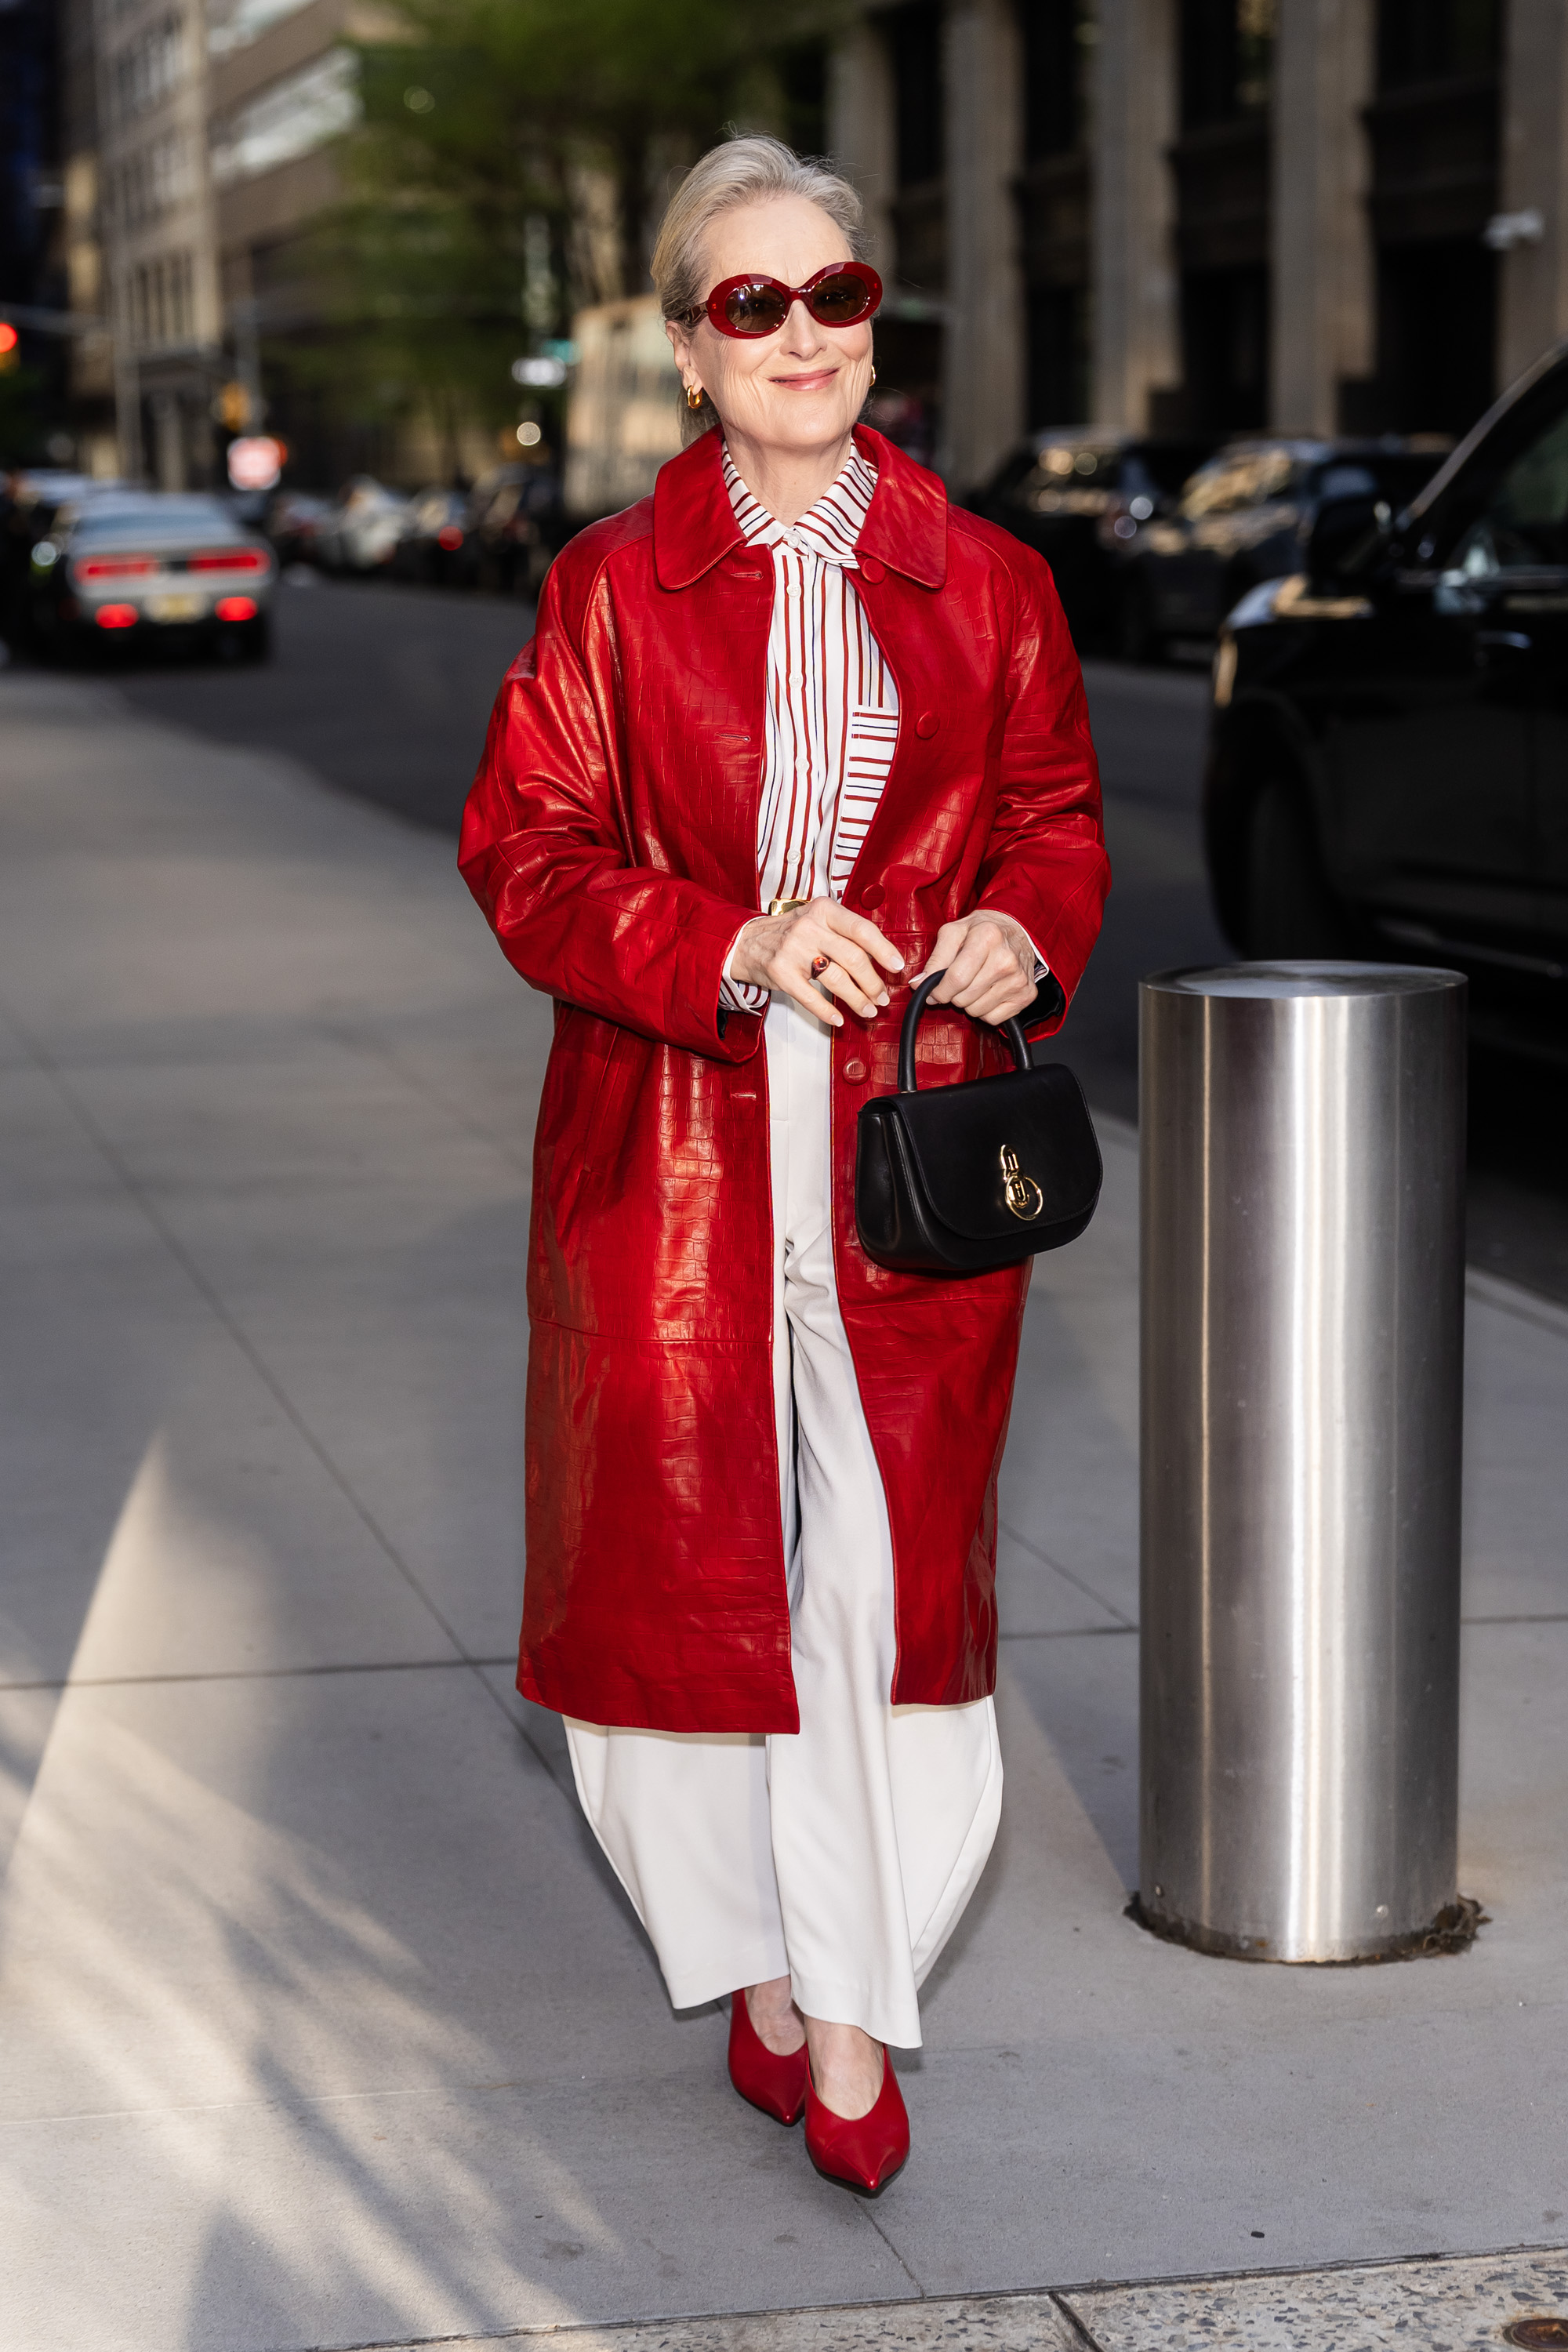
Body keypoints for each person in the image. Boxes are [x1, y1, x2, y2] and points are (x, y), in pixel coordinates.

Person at [459, 135, 1109, 2196]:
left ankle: (850, 2012)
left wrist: (1028, 928)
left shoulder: (991, 583)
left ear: (873, 326)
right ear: (686, 346)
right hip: (677, 1166)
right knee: (682, 1612)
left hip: (912, 1157)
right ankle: (757, 1964)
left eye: (837, 298)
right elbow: (525, 857)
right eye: (756, 304)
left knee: (886, 1601)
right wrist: (733, 944)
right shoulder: (603, 593)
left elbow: (1061, 824)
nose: (804, 335)